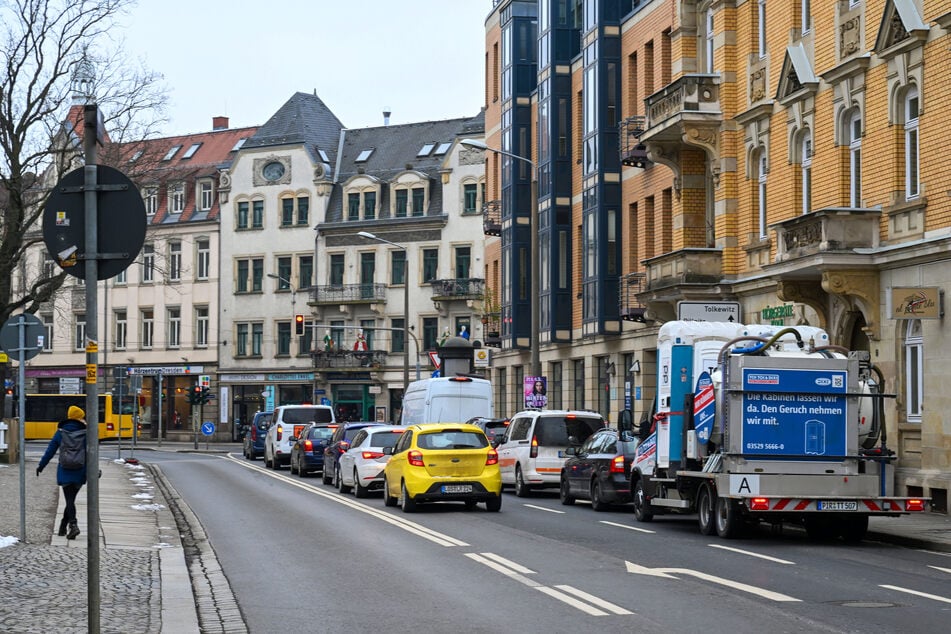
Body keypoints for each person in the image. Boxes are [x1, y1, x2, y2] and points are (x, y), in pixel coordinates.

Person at [36, 405, 88, 540]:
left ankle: (71, 525)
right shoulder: (86, 433)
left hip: (65, 469)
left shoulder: (61, 432)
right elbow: (91, 453)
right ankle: (65, 526)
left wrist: (41, 465)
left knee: (69, 499)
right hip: (80, 469)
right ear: (80, 418)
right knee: (71, 499)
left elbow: (50, 450)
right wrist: (94, 470)